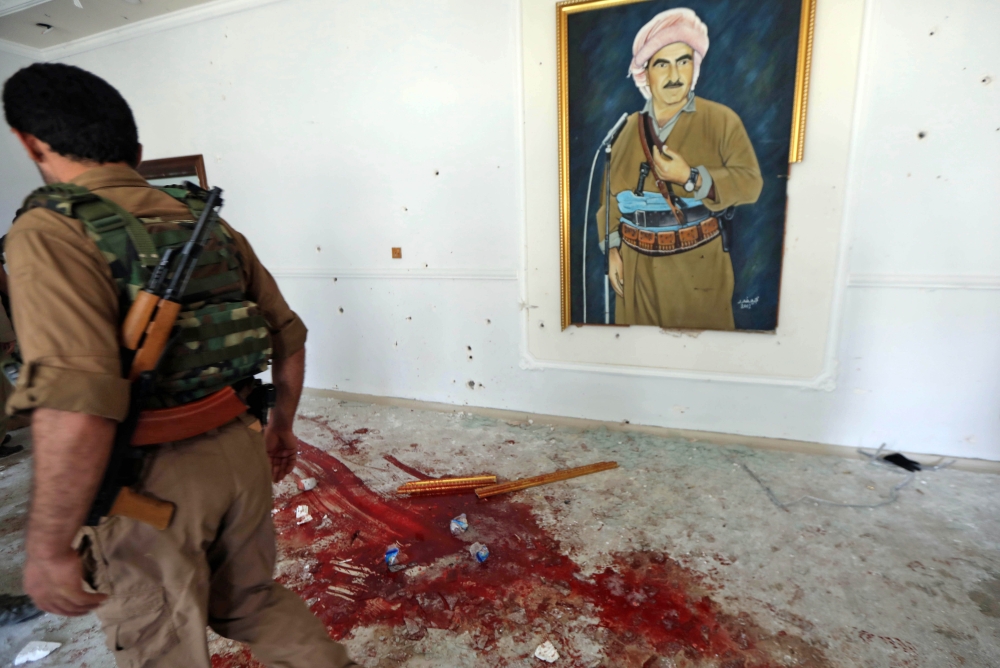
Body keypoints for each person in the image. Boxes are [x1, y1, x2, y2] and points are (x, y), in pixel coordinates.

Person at [2, 63, 356, 667]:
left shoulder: (49, 230)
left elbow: (75, 407)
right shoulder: (208, 224)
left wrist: (47, 545)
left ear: (29, 144)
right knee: (252, 602)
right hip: (240, 450)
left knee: (160, 642)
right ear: (136, 153)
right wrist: (281, 427)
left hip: (145, 475)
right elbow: (288, 335)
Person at [596, 8, 763, 330]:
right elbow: (610, 200)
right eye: (663, 63)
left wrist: (690, 178)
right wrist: (613, 250)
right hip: (634, 265)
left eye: (684, 61)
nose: (675, 74)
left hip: (697, 264)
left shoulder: (721, 119)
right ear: (646, 73)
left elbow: (751, 183)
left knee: (698, 357)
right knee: (636, 355)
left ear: (694, 66)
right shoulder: (625, 129)